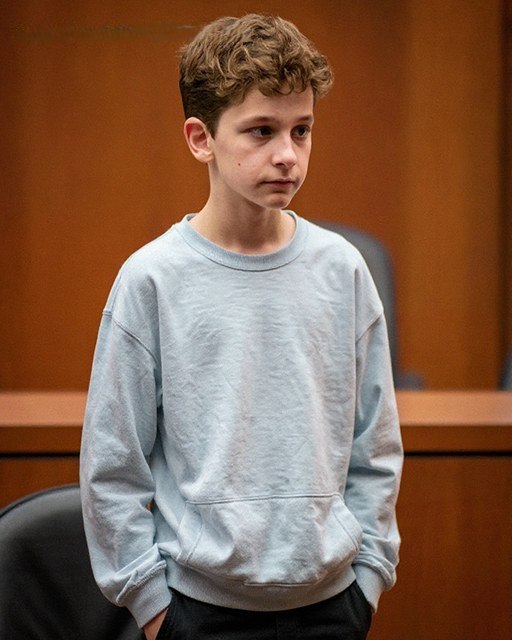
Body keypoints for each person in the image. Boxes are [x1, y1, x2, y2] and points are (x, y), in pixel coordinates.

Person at [80, 13, 403, 640]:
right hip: (196, 611)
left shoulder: (342, 270)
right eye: (261, 130)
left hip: (334, 604)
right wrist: (152, 607)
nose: (287, 154)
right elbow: (111, 466)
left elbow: (376, 447)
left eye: (301, 130)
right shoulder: (151, 280)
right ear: (200, 138)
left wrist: (368, 578)